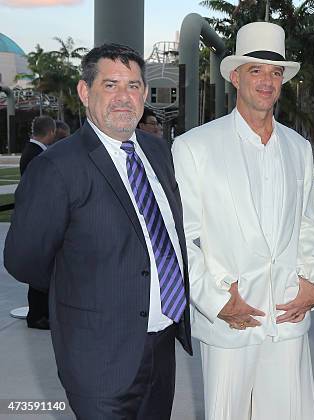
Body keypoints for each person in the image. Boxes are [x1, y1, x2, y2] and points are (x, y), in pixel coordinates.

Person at [4, 43, 192, 419]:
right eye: (111, 85)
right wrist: (86, 291)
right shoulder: (57, 168)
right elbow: (24, 261)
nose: (125, 97)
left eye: (134, 86)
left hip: (161, 350)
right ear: (84, 92)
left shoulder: (158, 152)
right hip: (98, 359)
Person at [172, 22, 314, 420]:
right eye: (256, 70)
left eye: (275, 72)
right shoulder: (194, 147)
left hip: (288, 315)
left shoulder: (297, 147)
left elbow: (307, 225)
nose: (267, 81)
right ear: (235, 76)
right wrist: (218, 302)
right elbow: (184, 238)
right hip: (229, 322)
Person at [19, 115, 56, 330]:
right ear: (50, 132)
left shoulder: (34, 151)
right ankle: (38, 315)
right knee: (41, 272)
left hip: (38, 219)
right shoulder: (36, 154)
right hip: (39, 220)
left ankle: (41, 313)